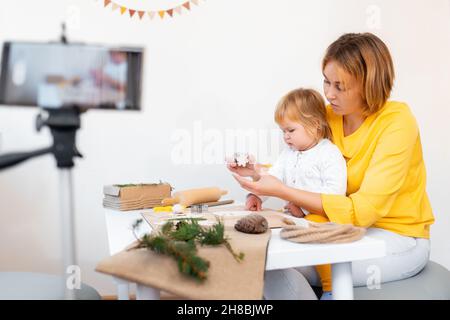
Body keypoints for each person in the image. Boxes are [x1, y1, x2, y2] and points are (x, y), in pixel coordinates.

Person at [228, 32, 435, 300]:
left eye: (340, 86)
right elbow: (300, 161)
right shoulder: (329, 116)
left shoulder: (397, 122)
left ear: (368, 85)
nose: (328, 94)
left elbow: (362, 212)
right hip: (339, 228)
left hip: (397, 237)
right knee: (264, 258)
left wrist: (282, 191)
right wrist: (256, 173)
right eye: (326, 82)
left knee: (278, 263)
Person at [228, 88, 347, 299]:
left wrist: (301, 209)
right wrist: (255, 195)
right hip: (293, 216)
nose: (286, 137)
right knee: (268, 233)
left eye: (290, 131)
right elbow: (272, 178)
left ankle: (330, 289)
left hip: (321, 217)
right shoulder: (288, 155)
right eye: (283, 131)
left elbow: (334, 195)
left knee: (317, 230)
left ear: (315, 125)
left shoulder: (328, 153)